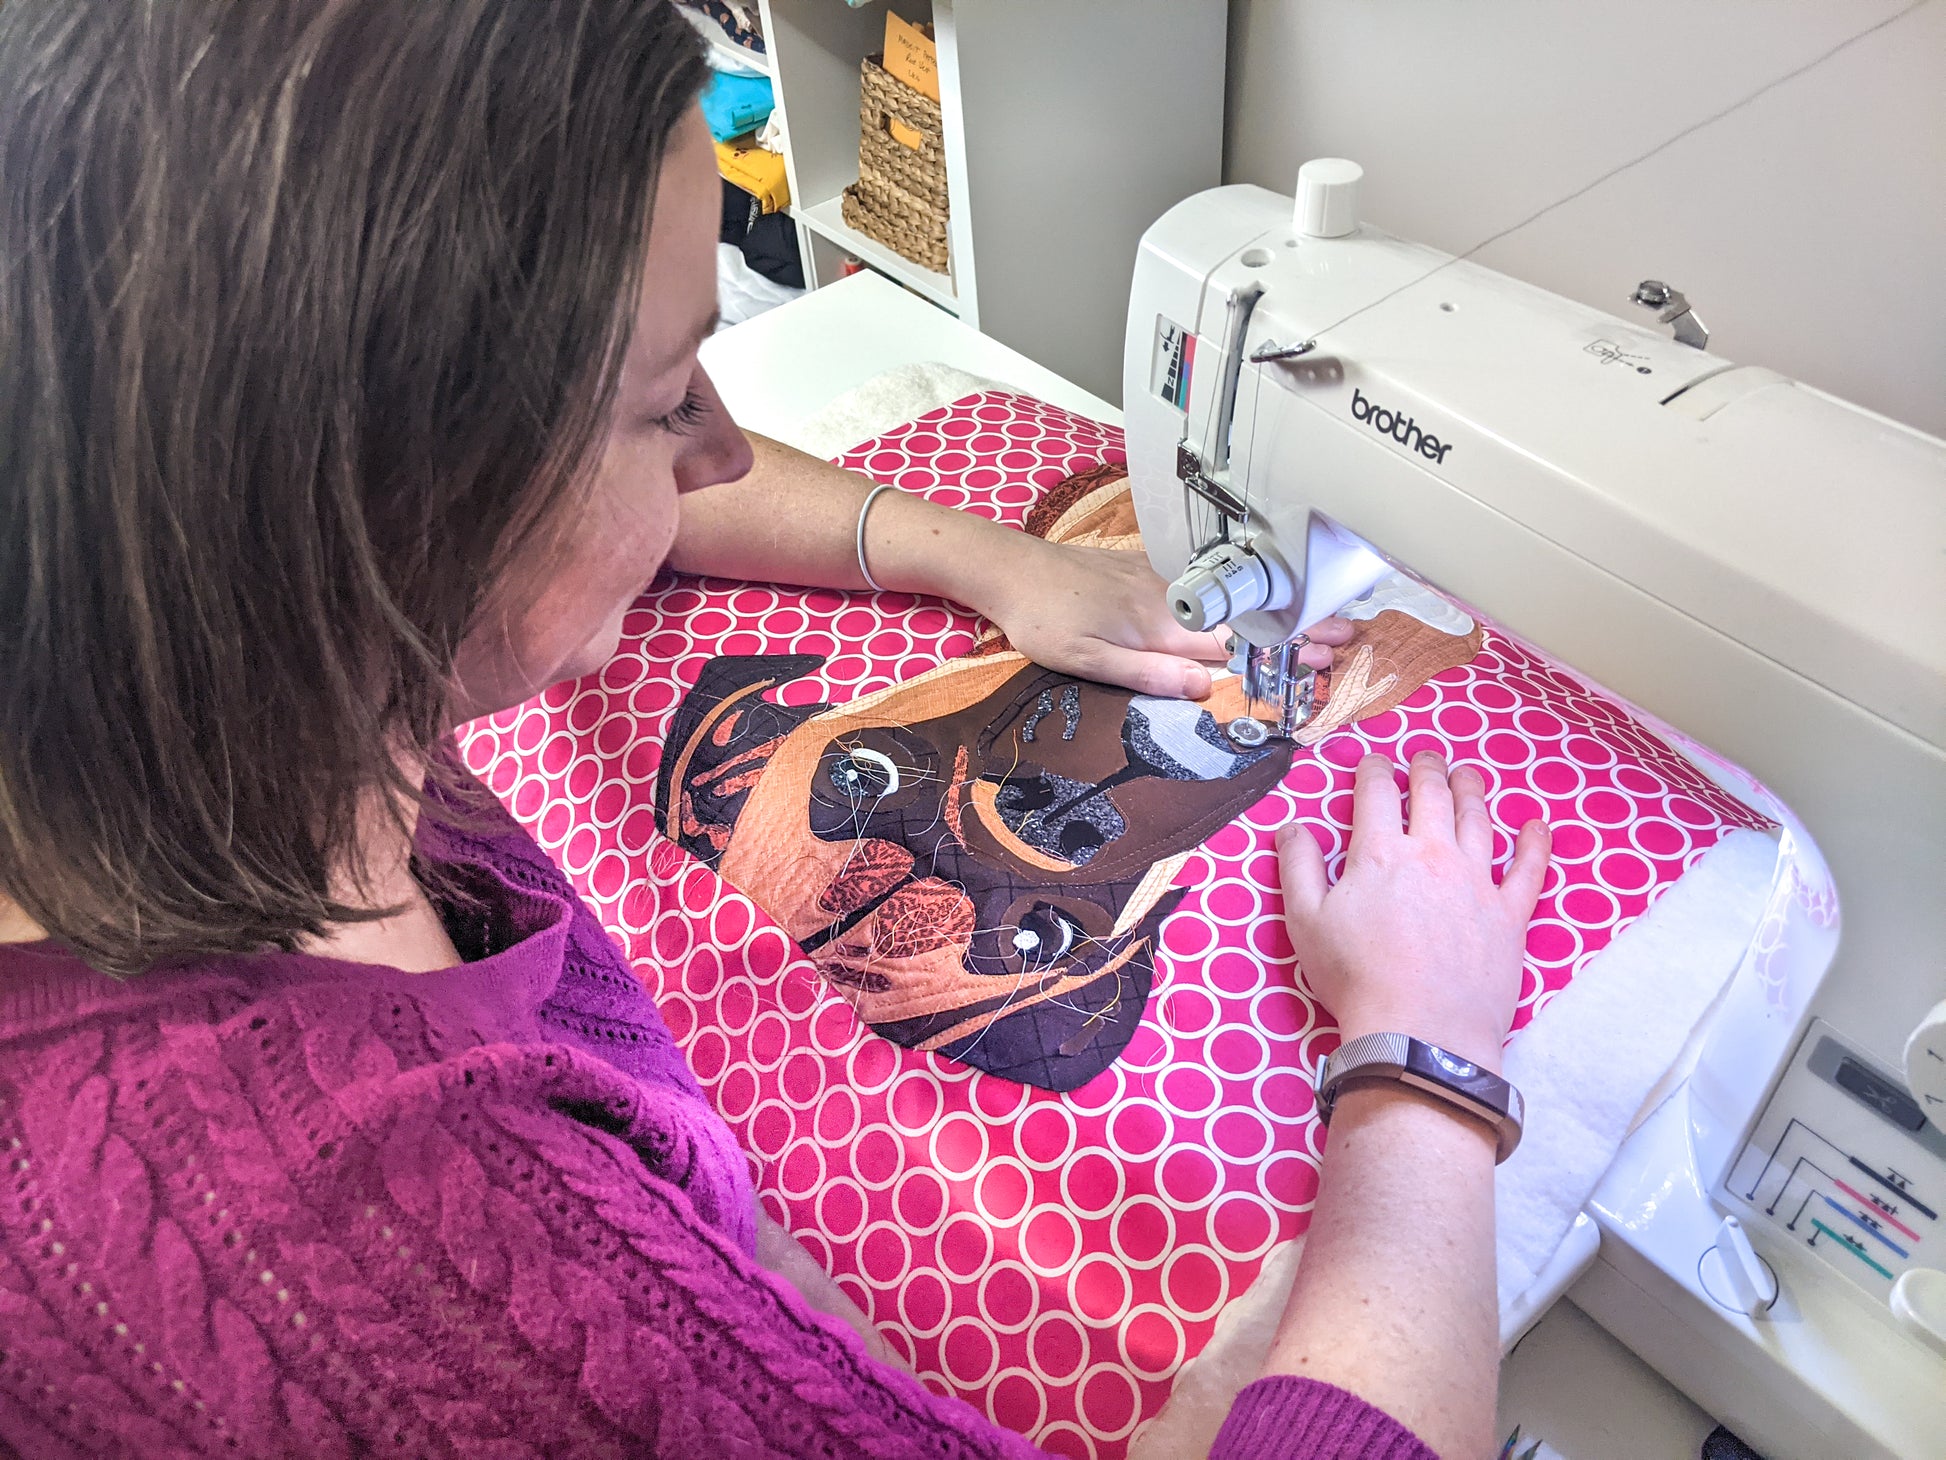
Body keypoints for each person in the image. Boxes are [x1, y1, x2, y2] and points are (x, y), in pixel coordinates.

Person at [0, 5, 1550, 1458]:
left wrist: (987, 555)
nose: (727, 452)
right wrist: (1425, 1054)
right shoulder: (436, 1285)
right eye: (672, 398)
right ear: (396, 499)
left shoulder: (162, 650)